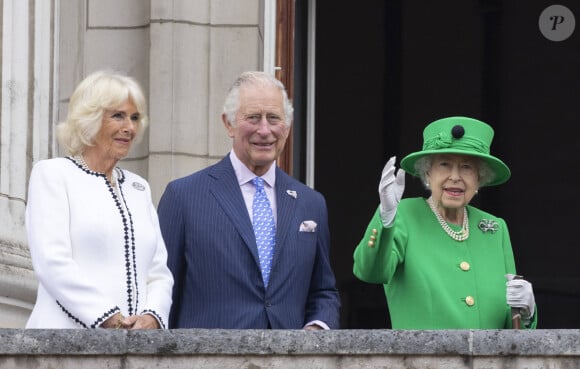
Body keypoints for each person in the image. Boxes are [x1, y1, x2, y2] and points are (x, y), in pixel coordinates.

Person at [157, 71, 341, 329]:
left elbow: (323, 292)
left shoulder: (311, 203)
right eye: (253, 117)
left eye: (274, 118)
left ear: (287, 128)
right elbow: (161, 289)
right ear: (229, 123)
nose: (264, 130)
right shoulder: (184, 196)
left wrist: (317, 328)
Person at [353, 116, 537, 329]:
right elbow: (370, 271)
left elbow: (512, 331)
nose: (455, 177)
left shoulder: (494, 228)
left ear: (479, 179)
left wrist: (526, 313)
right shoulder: (404, 215)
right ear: (427, 173)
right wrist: (385, 217)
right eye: (444, 165)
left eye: (467, 167)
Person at [25, 70, 174, 329]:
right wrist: (108, 317)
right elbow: (52, 262)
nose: (129, 127)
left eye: (135, 118)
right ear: (89, 119)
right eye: (118, 116)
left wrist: (152, 317)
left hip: (134, 350)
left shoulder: (139, 188)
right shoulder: (54, 175)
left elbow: (159, 271)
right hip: (62, 344)